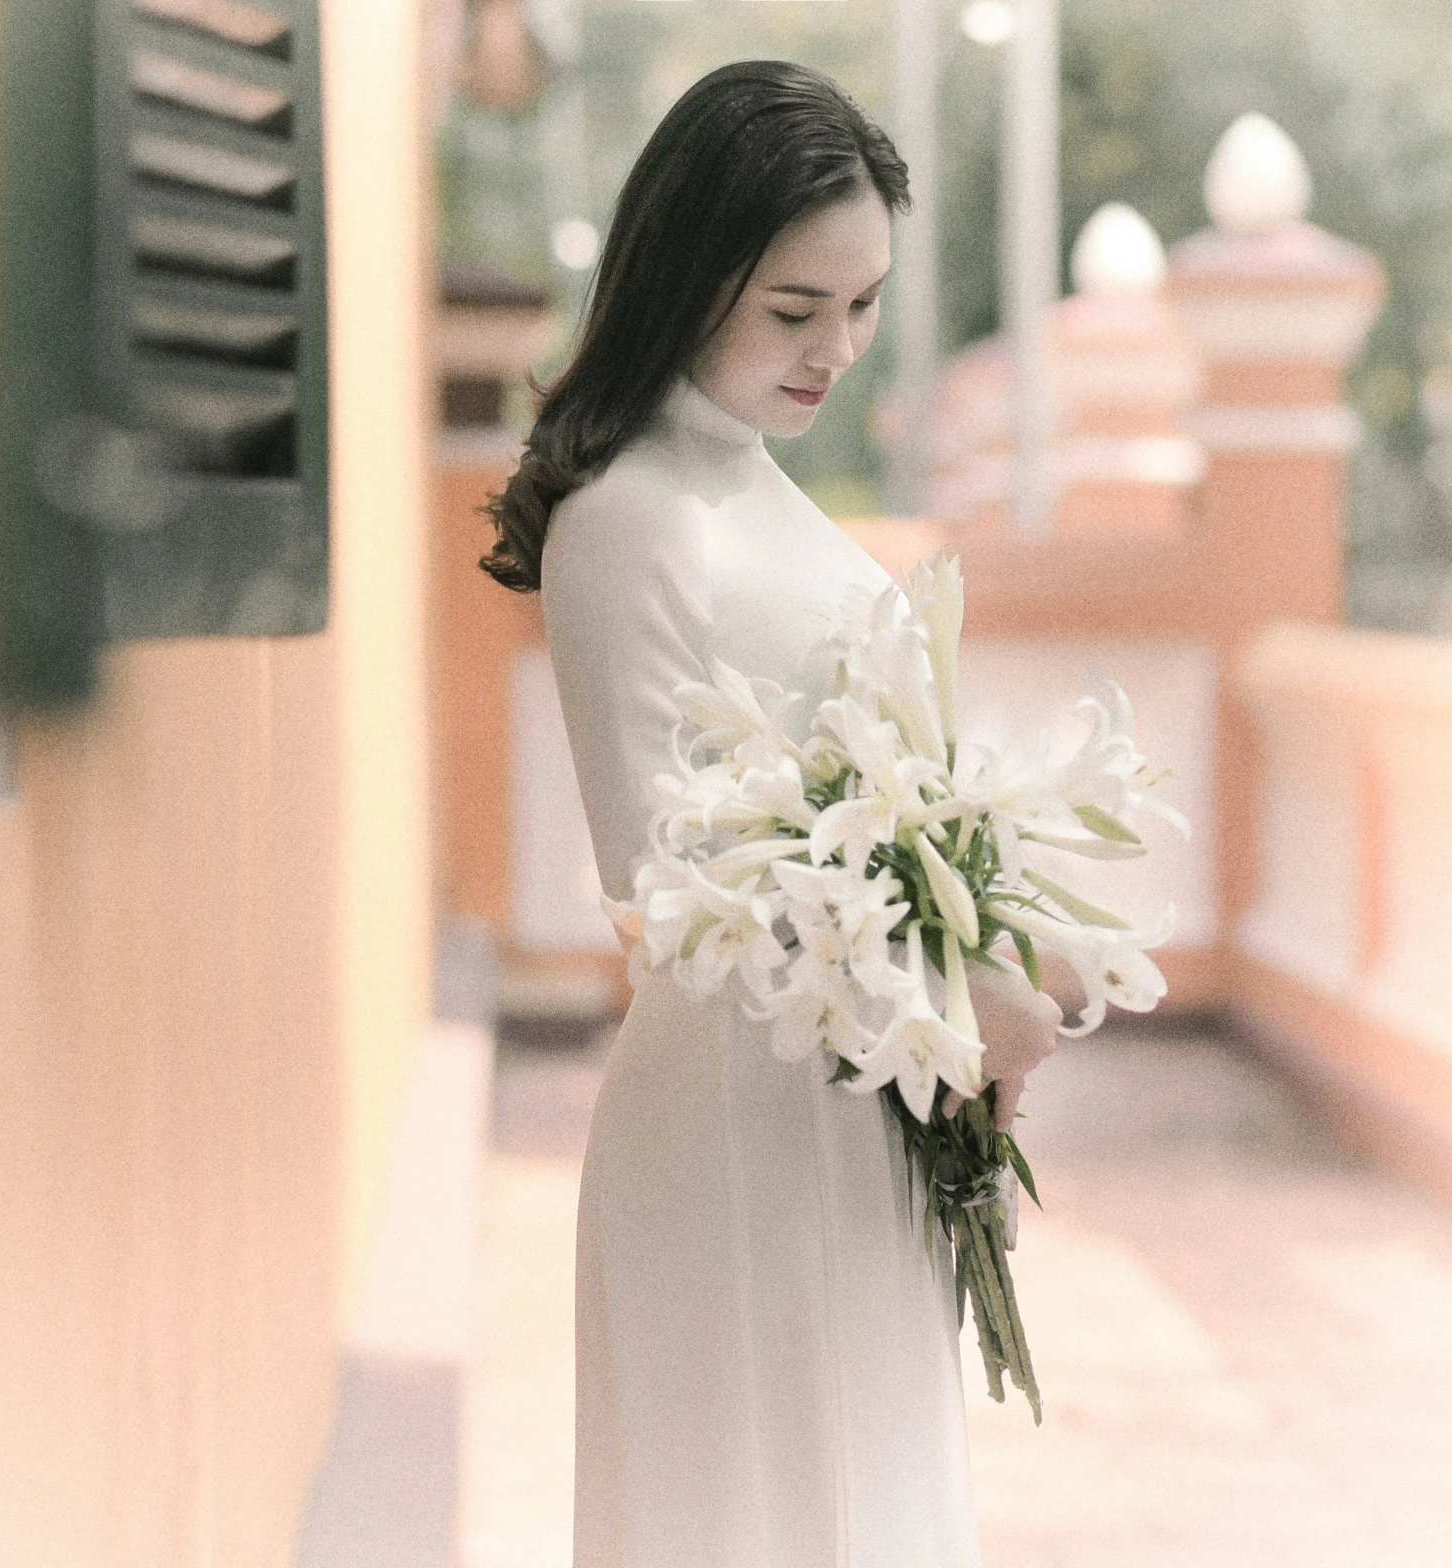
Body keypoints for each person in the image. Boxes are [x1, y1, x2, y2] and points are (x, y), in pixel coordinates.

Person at [480, 59, 1062, 1568]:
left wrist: (988, 944)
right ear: (690, 274)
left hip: (861, 1116)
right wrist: (956, 987)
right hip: (735, 1132)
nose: (838, 352)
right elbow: (666, 880)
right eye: (796, 312)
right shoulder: (626, 525)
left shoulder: (748, 483)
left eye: (861, 308)